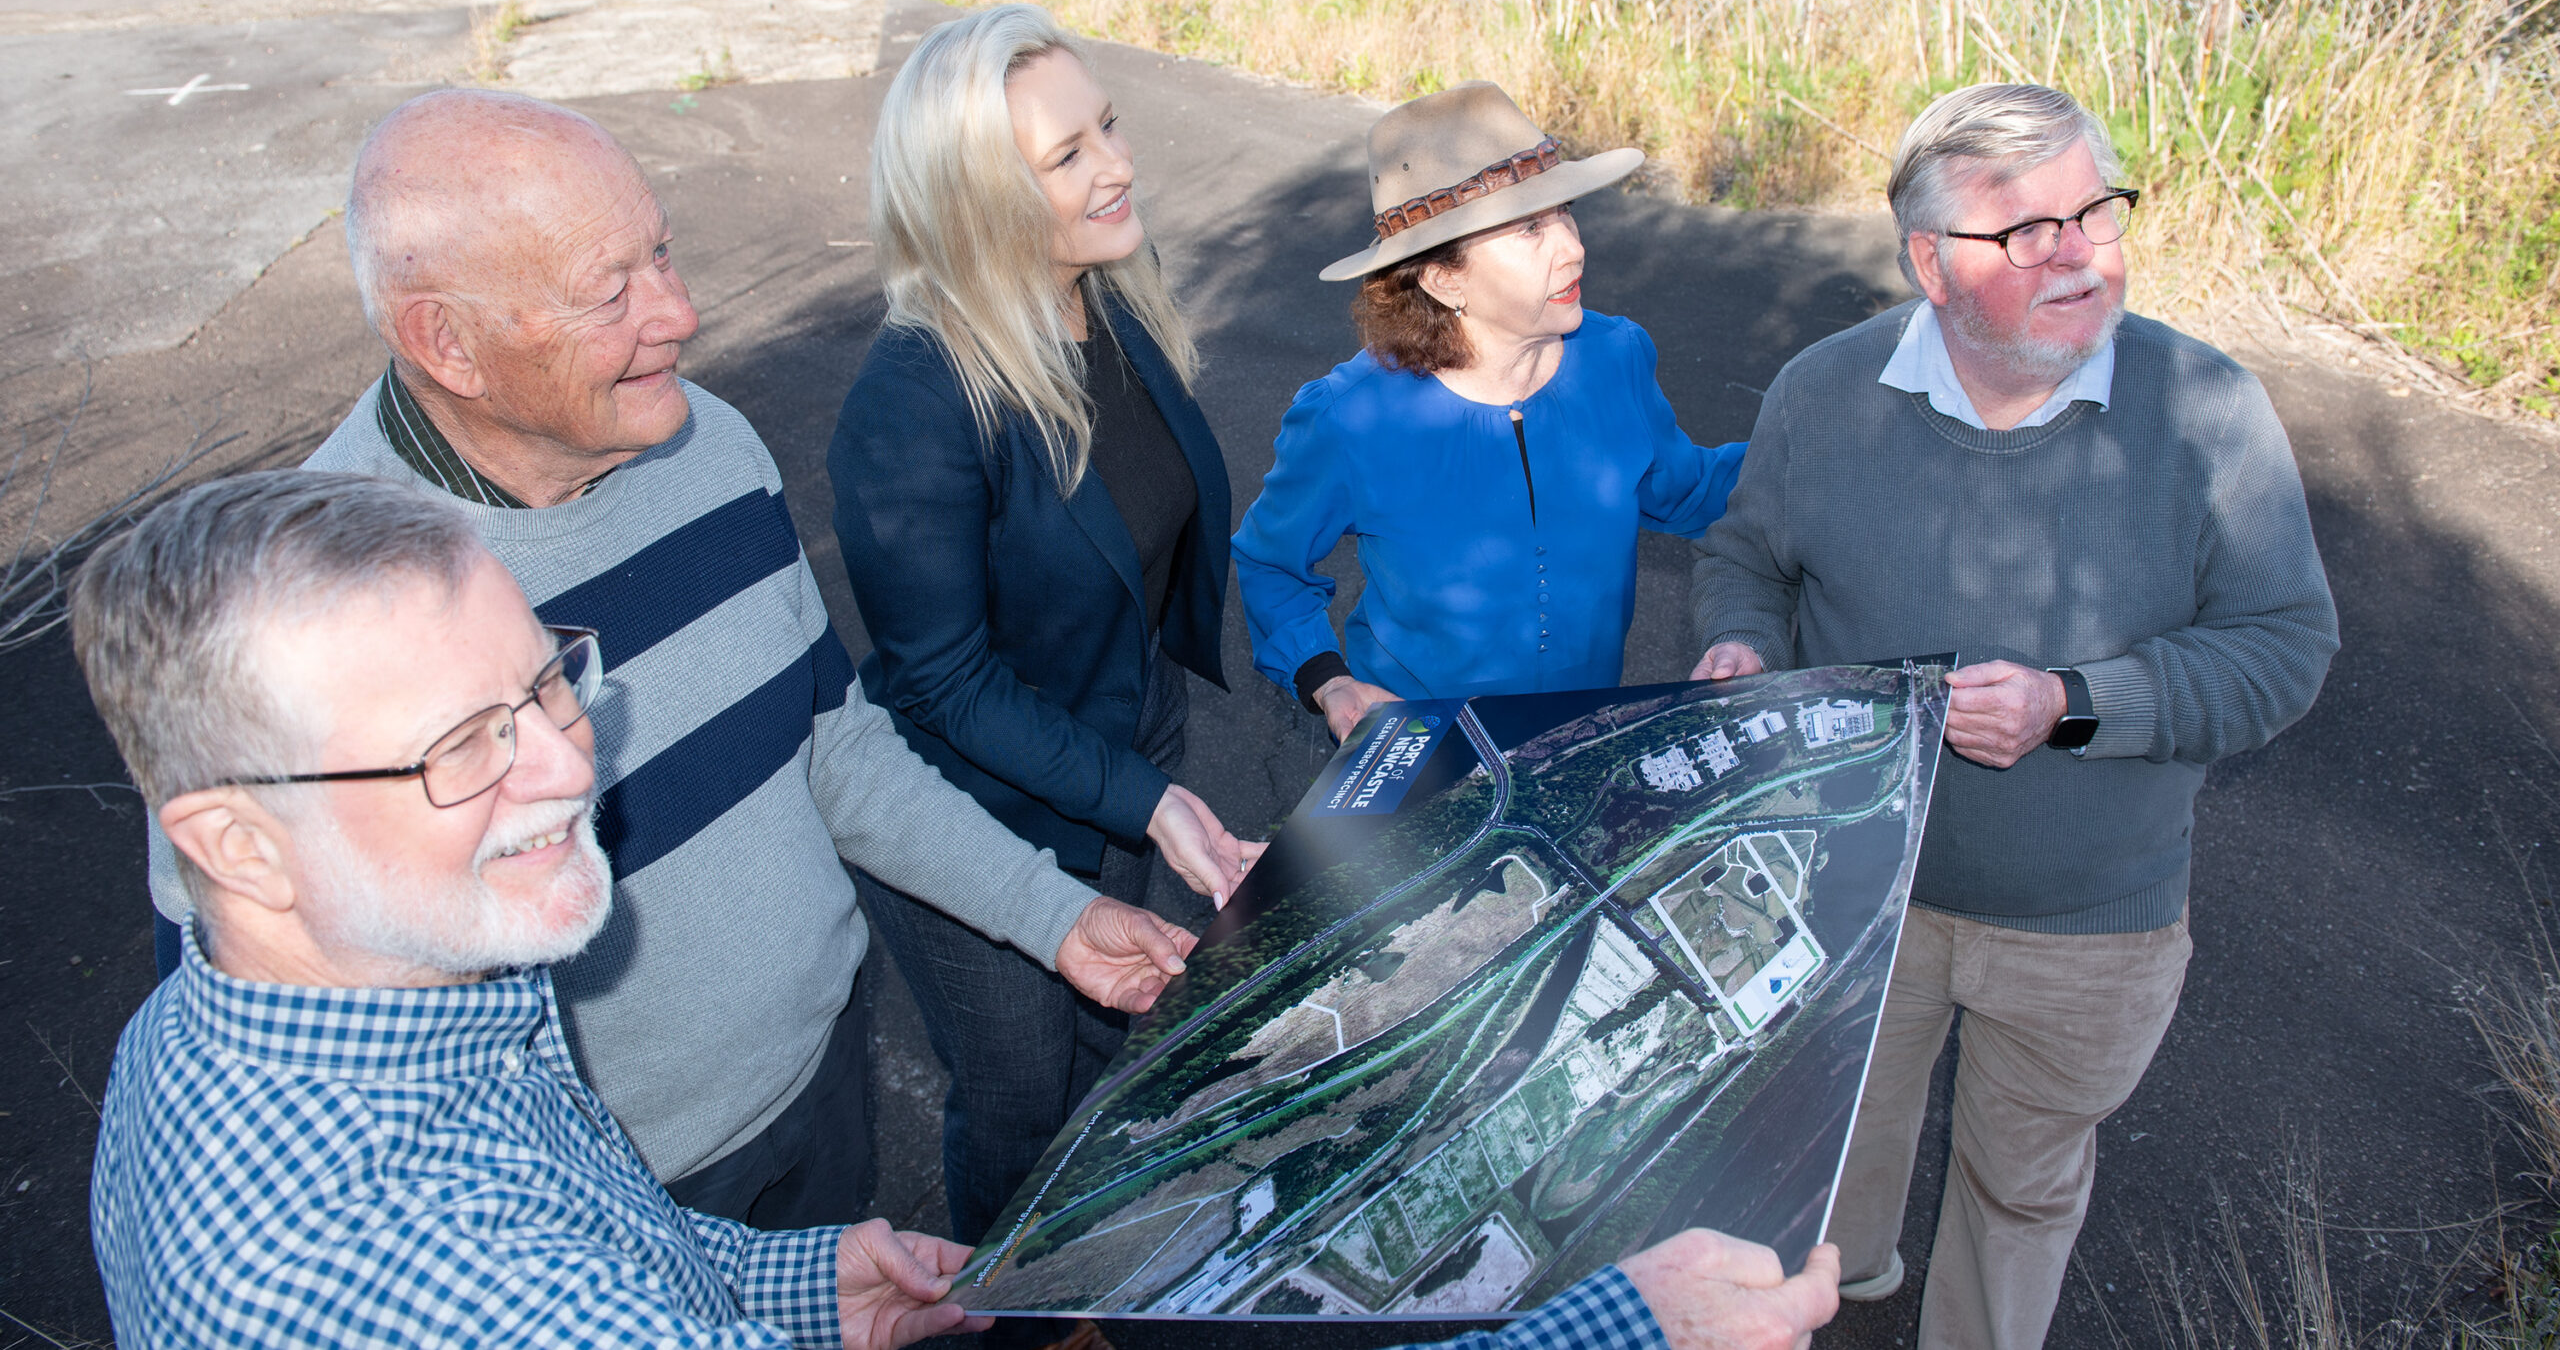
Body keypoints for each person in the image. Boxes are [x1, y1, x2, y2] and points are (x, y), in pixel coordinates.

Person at [76, 470, 1840, 1350]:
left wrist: (782, 1278)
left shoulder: (322, 986)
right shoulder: (418, 1280)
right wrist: (1627, 1319)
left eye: (549, 683)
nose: (564, 768)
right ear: (232, 837)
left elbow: (604, 1239)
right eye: (465, 743)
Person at [141, 87, 1200, 1234]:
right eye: (613, 289)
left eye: (663, 253)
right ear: (447, 341)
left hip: (820, 1085)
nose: (681, 313)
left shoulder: (704, 441)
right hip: (595, 1200)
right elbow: (259, 1068)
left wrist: (1049, 912)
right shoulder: (287, 621)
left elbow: (829, 744)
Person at [1691, 83, 2338, 1349]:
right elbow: (1746, 559)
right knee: (1826, 1168)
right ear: (1929, 262)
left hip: (2090, 928)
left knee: (2022, 1190)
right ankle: (1835, 1297)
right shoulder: (1822, 393)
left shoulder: (2209, 411)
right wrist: (1740, 643)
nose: (2081, 252)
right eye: (2025, 230)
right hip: (1853, 894)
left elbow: (2282, 648)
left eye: (2095, 208)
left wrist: (2075, 705)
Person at [829, 5, 1262, 1246]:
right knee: (1020, 1100)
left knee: (1096, 1058)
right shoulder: (912, 398)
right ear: (973, 197)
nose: (1116, 165)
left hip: (1116, 768)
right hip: (981, 817)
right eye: (1064, 156)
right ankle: (1009, 1310)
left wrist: (1146, 765)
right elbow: (945, 686)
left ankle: (1081, 1268)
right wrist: (1144, 794)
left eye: (1107, 127)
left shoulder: (1108, 296)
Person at [1232, 81, 1747, 741]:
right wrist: (1329, 678)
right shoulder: (1350, 418)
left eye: (1565, 212)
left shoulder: (1614, 359)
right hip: (1418, 748)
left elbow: (1691, 489)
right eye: (1531, 229)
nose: (1572, 246)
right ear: (1444, 279)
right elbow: (1270, 561)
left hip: (1578, 737)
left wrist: (1820, 444)